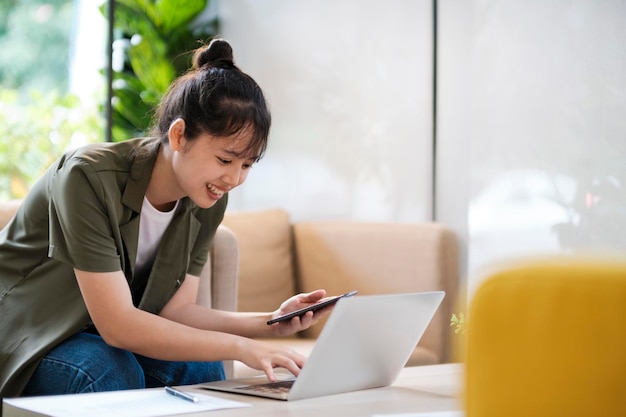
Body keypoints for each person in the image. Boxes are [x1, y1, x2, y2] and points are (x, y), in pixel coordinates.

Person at [0, 38, 329, 398]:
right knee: (105, 368)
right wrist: (240, 347)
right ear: (178, 135)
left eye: (247, 164)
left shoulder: (207, 198)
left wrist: (272, 321)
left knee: (200, 367)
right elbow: (118, 326)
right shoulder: (86, 176)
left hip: (92, 333)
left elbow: (178, 311)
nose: (234, 179)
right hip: (26, 331)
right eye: (225, 160)